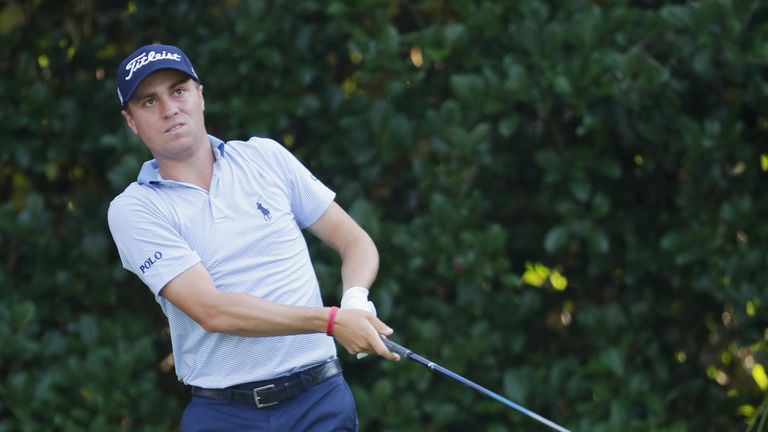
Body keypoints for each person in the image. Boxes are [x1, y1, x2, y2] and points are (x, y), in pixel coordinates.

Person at [107, 43, 399, 432]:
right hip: (225, 415)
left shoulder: (265, 157)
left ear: (200, 95)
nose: (169, 108)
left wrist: (355, 300)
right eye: (148, 101)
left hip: (320, 401)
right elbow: (212, 311)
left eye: (178, 90)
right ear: (131, 121)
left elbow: (354, 241)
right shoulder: (135, 209)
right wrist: (331, 321)